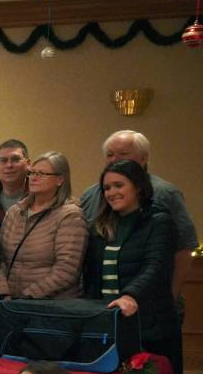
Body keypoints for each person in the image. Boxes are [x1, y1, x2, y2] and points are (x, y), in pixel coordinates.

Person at [82, 159, 181, 374]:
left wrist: (131, 296)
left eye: (119, 185)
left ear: (138, 186)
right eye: (107, 188)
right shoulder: (101, 225)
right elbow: (92, 275)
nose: (112, 193)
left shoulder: (159, 221)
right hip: (109, 322)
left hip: (150, 325)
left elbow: (156, 267)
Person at [79, 130, 197, 307]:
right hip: (102, 306)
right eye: (110, 155)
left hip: (149, 305)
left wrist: (170, 298)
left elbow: (180, 252)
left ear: (143, 159)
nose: (114, 159)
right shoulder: (91, 195)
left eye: (123, 154)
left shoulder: (164, 196)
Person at [0, 152, 87, 301]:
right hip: (11, 303)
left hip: (51, 306)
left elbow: (67, 269)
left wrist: (27, 297)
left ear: (60, 180)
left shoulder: (70, 215)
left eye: (42, 174)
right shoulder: (15, 212)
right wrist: (3, 293)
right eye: (32, 173)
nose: (33, 178)